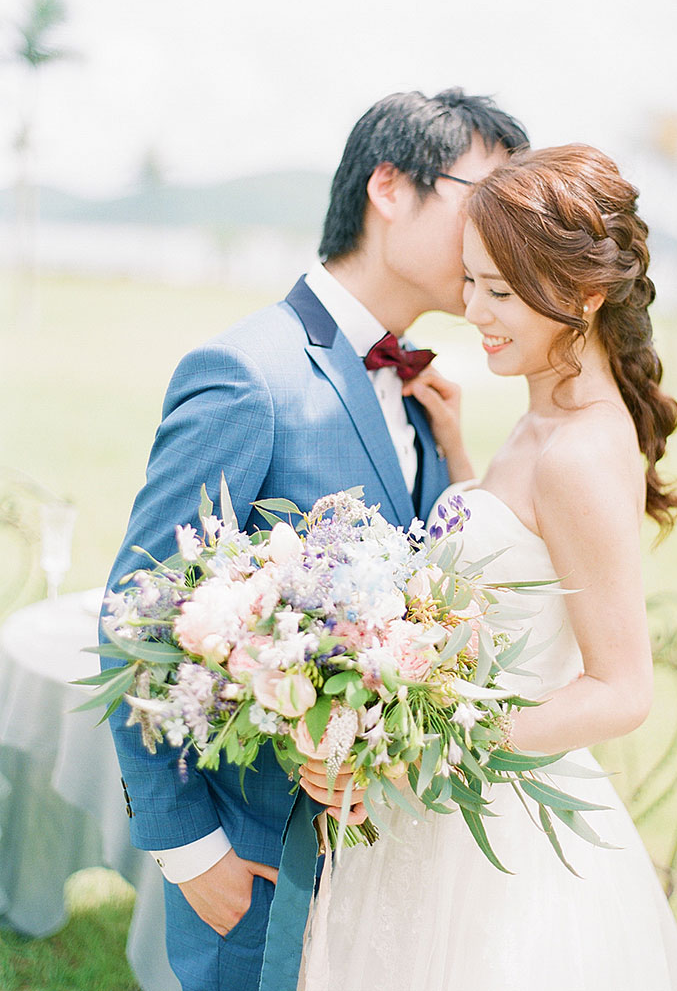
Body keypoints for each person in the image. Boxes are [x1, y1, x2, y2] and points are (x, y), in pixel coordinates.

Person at [101, 87, 529, 991]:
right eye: (483, 199)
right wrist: (187, 848)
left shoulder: (420, 390)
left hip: (371, 861)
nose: (502, 234)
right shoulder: (250, 374)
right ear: (389, 188)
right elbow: (132, 615)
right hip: (253, 864)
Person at [306, 144, 677, 990]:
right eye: (473, 282)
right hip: (447, 804)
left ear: (584, 296)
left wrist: (423, 747)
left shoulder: (581, 452)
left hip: (500, 830)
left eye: (503, 292)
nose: (476, 312)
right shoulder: (547, 404)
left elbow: (622, 690)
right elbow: (523, 560)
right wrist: (458, 458)